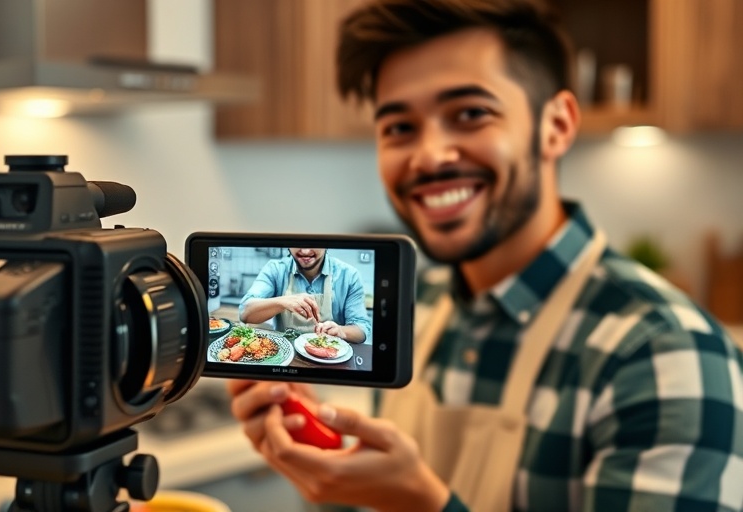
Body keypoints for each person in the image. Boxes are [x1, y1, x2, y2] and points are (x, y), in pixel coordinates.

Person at [225, 1, 743, 511]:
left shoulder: (668, 355)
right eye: (399, 127)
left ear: (557, 125)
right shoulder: (415, 309)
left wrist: (424, 505)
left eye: (471, 114)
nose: (428, 156)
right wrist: (325, 454)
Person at [239, 248, 372, 343]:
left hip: (330, 358)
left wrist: (341, 331)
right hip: (285, 357)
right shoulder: (275, 269)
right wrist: (282, 302)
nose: (306, 251)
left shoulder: (349, 275)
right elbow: (245, 313)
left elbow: (361, 330)